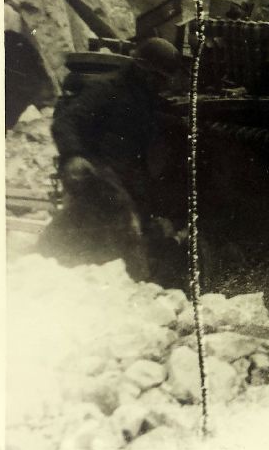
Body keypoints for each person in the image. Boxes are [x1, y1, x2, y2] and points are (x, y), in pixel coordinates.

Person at [41, 38, 185, 282]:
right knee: (124, 229)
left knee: (88, 231)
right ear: (142, 69)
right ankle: (137, 285)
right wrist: (74, 155)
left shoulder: (144, 96)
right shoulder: (106, 88)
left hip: (127, 178)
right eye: (158, 78)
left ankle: (44, 261)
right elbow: (66, 122)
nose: (161, 85)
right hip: (98, 173)